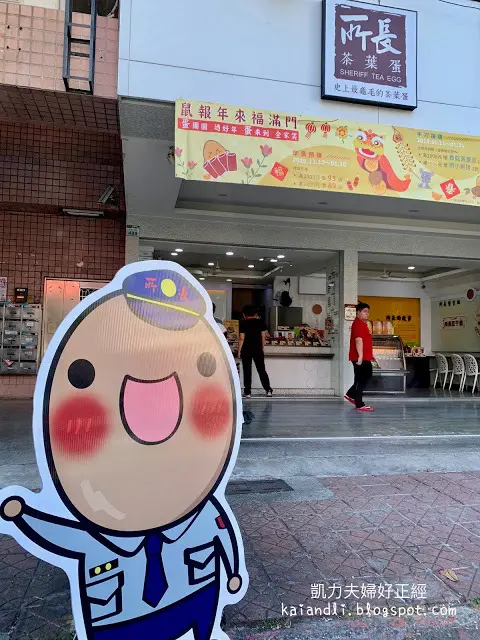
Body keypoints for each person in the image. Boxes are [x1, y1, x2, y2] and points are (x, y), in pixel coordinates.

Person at [0, 266, 247, 640]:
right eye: (81, 376)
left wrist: (232, 573)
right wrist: (23, 517)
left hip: (198, 595)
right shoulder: (97, 533)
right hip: (119, 619)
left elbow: (222, 532)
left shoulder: (204, 514)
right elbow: (64, 535)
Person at [345, 302, 374, 412]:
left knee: (360, 379)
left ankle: (351, 395)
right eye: (365, 311)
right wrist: (360, 356)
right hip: (361, 357)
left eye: (368, 312)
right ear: (358, 312)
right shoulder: (358, 324)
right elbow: (358, 340)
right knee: (363, 378)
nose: (367, 314)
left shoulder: (361, 324)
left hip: (363, 356)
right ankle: (359, 403)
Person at [238, 305, 272, 398]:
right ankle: (268, 390)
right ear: (255, 313)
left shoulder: (243, 322)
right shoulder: (261, 322)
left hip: (246, 349)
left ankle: (247, 392)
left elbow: (241, 338)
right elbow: (263, 336)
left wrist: (239, 351)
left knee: (247, 370)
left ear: (244, 314)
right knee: (261, 369)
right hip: (257, 349)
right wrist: (262, 347)